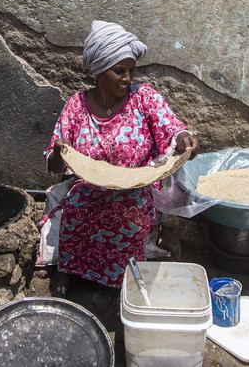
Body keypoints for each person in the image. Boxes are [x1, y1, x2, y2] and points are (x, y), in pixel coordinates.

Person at [43, 20, 199, 298]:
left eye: (131, 70)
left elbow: (171, 127)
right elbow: (56, 167)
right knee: (76, 210)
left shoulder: (143, 98)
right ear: (99, 70)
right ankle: (67, 267)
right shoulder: (76, 106)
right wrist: (59, 151)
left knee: (130, 216)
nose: (127, 78)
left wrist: (184, 138)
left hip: (135, 188)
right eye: (119, 71)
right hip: (91, 188)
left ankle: (122, 279)